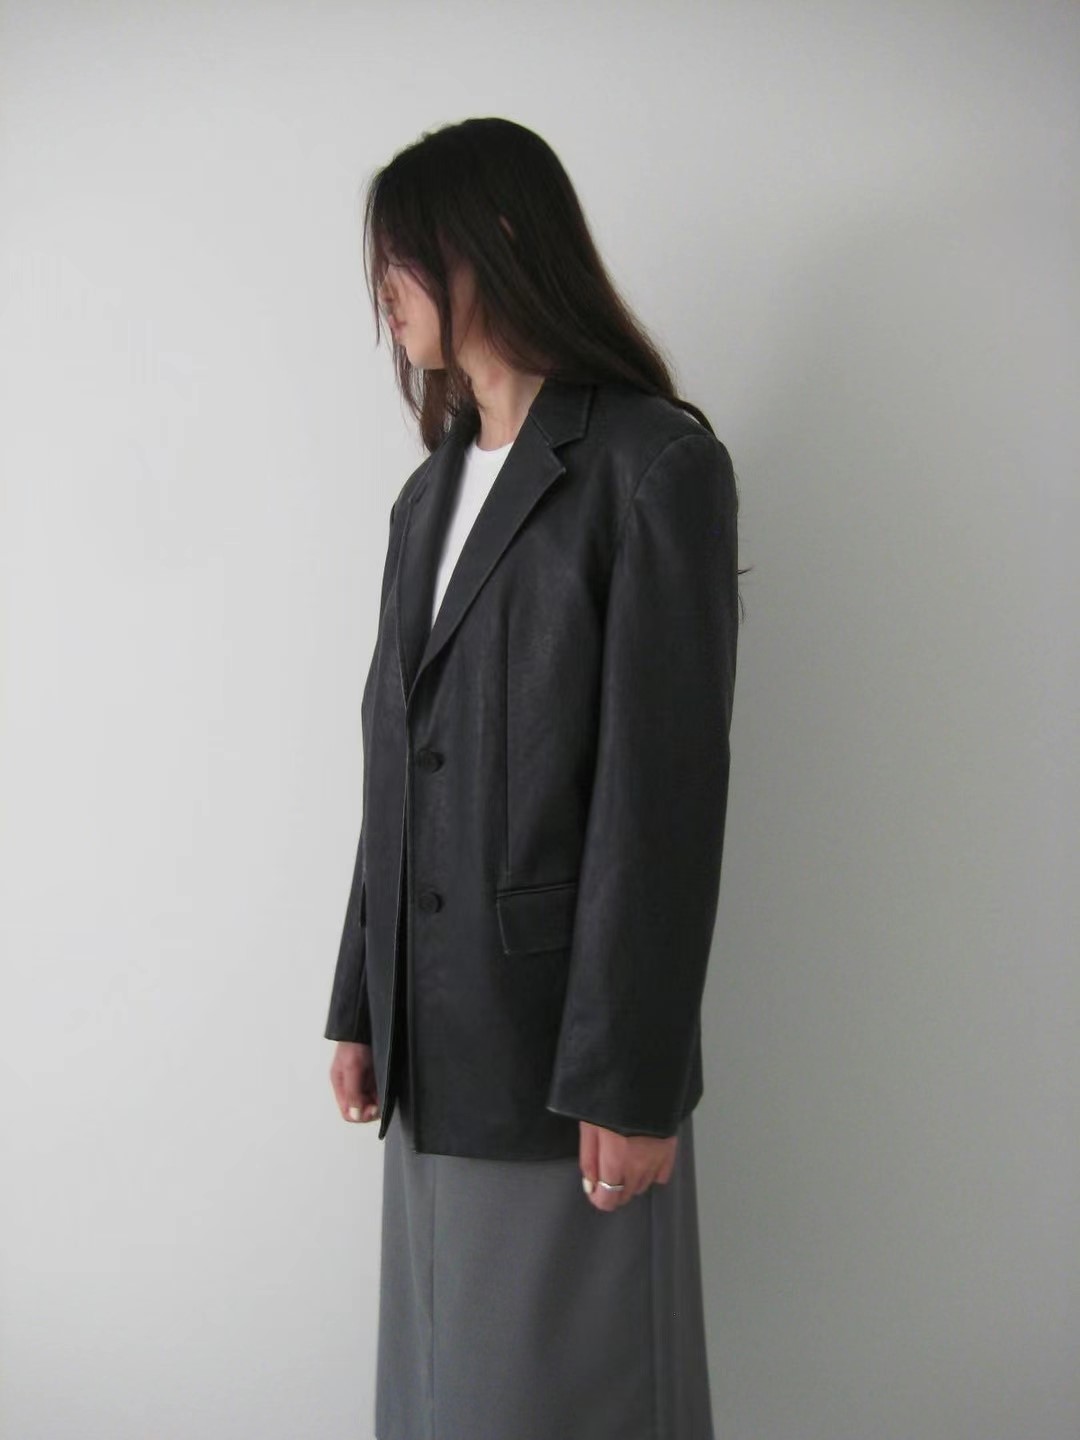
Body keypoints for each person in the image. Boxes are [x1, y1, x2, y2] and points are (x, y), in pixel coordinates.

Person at [324, 116, 743, 1440]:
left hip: (557, 1055)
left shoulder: (653, 466)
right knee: (442, 1392)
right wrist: (360, 996)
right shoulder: (427, 498)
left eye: (403, 257)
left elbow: (661, 799)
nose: (383, 291)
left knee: (561, 1397)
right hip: (431, 1040)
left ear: (495, 243)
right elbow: (399, 760)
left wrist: (629, 1076)